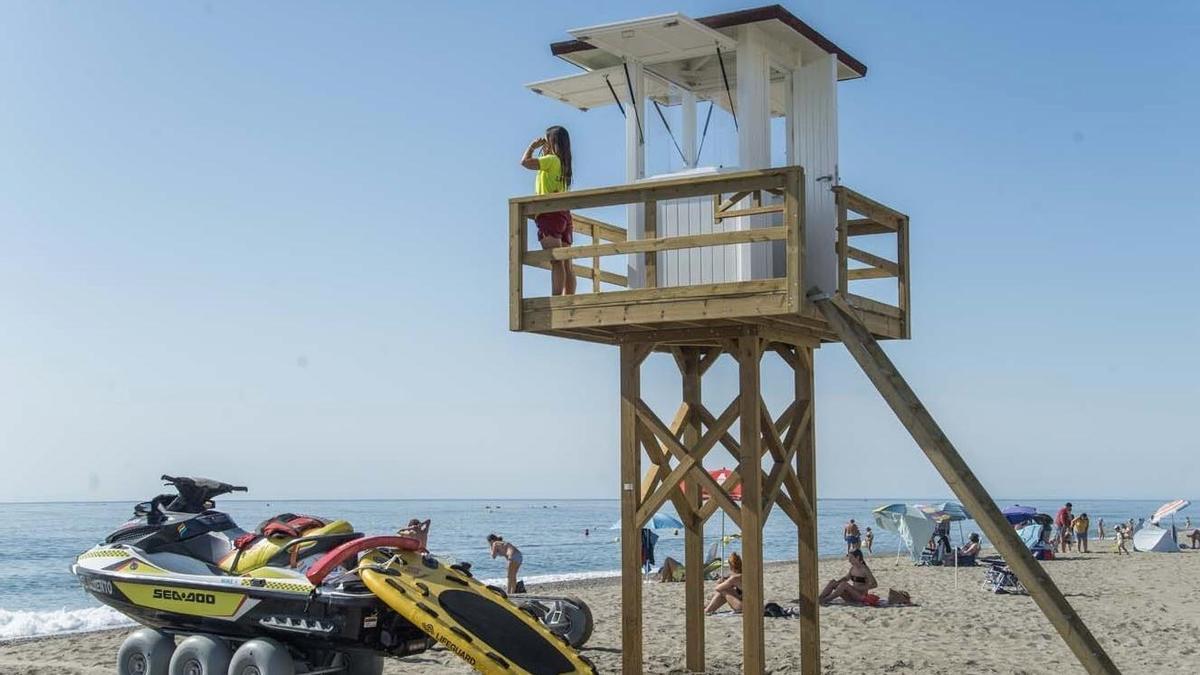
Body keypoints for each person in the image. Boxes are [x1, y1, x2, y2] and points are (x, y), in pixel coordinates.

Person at [520, 126, 575, 296]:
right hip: (564, 214)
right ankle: (569, 298)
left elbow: (525, 162)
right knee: (566, 262)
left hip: (549, 214)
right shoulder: (564, 164)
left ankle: (557, 298)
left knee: (556, 261)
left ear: (552, 142)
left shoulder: (551, 160)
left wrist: (532, 147)